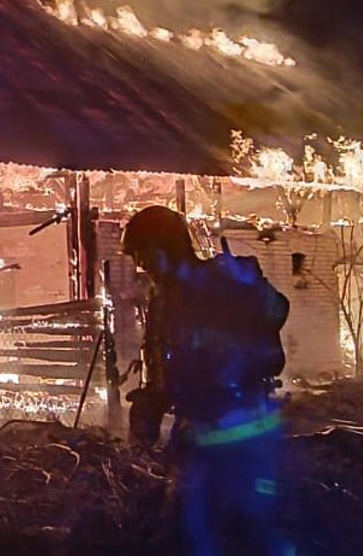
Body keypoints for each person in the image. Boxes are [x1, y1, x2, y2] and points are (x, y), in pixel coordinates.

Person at [121, 206, 292, 556]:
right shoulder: (169, 299)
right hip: (216, 425)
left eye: (145, 257)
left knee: (223, 526)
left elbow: (276, 309)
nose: (143, 268)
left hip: (234, 424)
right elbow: (167, 371)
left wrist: (248, 287)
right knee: (208, 525)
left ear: (163, 250)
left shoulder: (211, 286)